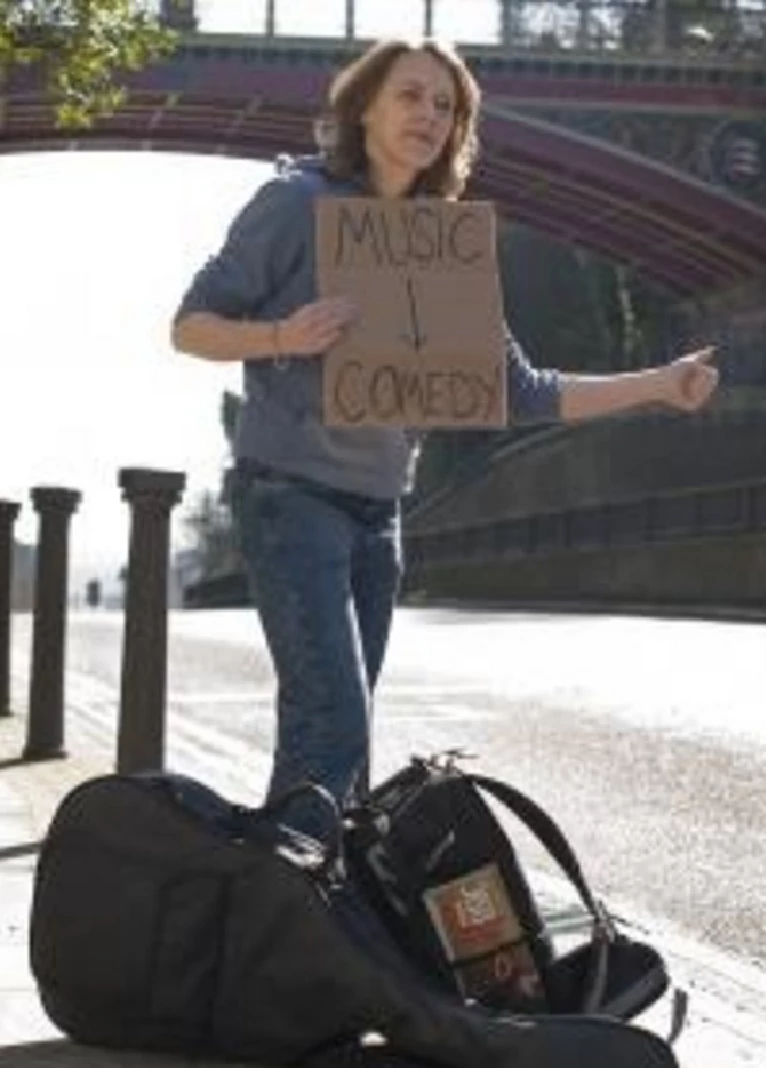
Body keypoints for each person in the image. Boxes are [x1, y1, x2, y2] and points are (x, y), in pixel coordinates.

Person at [171, 38, 718, 828]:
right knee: (335, 727)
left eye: (446, 105)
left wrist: (660, 385)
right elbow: (190, 327)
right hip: (290, 499)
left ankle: (292, 915)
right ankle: (292, 927)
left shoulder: (441, 243)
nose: (430, 115)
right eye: (411, 96)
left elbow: (520, 390)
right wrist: (283, 337)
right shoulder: (296, 204)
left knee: (332, 752)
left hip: (379, 513)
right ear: (363, 107)